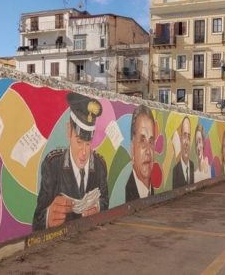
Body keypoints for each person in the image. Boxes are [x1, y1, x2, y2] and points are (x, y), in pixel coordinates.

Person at [32, 92, 109, 231]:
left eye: (88, 143)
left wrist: (98, 207)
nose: (84, 152)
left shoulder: (100, 166)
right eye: (79, 142)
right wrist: (49, 215)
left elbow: (105, 200)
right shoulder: (53, 165)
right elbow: (38, 217)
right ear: (69, 131)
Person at [125, 105, 155, 202]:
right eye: (142, 140)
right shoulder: (126, 192)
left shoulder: (152, 191)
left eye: (151, 141)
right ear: (132, 149)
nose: (148, 150)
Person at [173, 117, 195, 188]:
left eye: (189, 137)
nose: (186, 142)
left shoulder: (192, 165)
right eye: (184, 136)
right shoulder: (175, 170)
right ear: (180, 138)